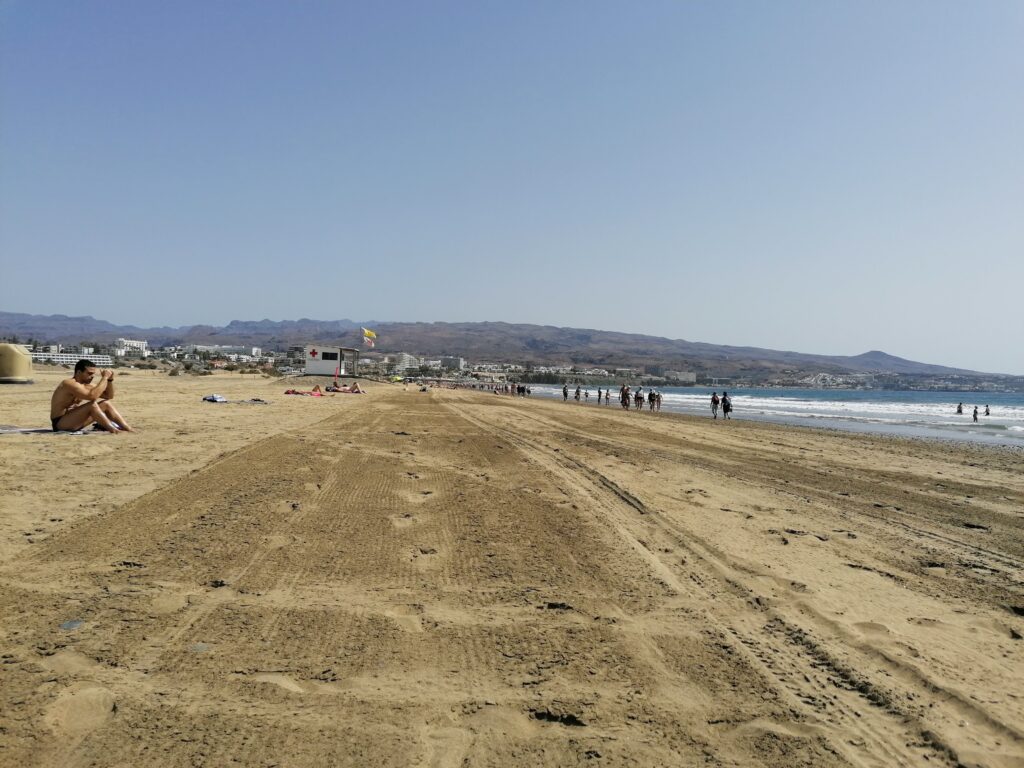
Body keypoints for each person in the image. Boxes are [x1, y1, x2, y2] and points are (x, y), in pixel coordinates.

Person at [50, 359, 133, 433]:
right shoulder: (69, 383)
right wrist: (104, 378)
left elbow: (109, 396)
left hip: (74, 420)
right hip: (60, 423)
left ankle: (127, 428)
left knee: (106, 403)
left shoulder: (87, 385)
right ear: (78, 372)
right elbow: (92, 397)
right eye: (89, 373)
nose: (92, 376)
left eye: (93, 374)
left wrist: (110, 380)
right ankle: (113, 430)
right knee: (92, 404)